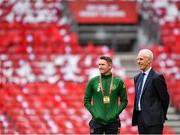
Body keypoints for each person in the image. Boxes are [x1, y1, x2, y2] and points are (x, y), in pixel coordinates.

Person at [84, 55, 128, 134]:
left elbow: (124, 101)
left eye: (103, 64)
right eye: (99, 65)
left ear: (110, 66)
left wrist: (115, 113)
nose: (100, 67)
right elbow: (86, 100)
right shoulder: (93, 81)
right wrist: (95, 113)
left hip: (113, 122)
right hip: (96, 121)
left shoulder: (119, 82)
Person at [132, 49, 170, 134]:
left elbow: (165, 98)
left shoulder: (157, 77)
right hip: (140, 118)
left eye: (141, 59)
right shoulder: (137, 78)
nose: (138, 61)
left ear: (149, 60)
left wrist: (159, 115)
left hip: (154, 120)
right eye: (137, 59)